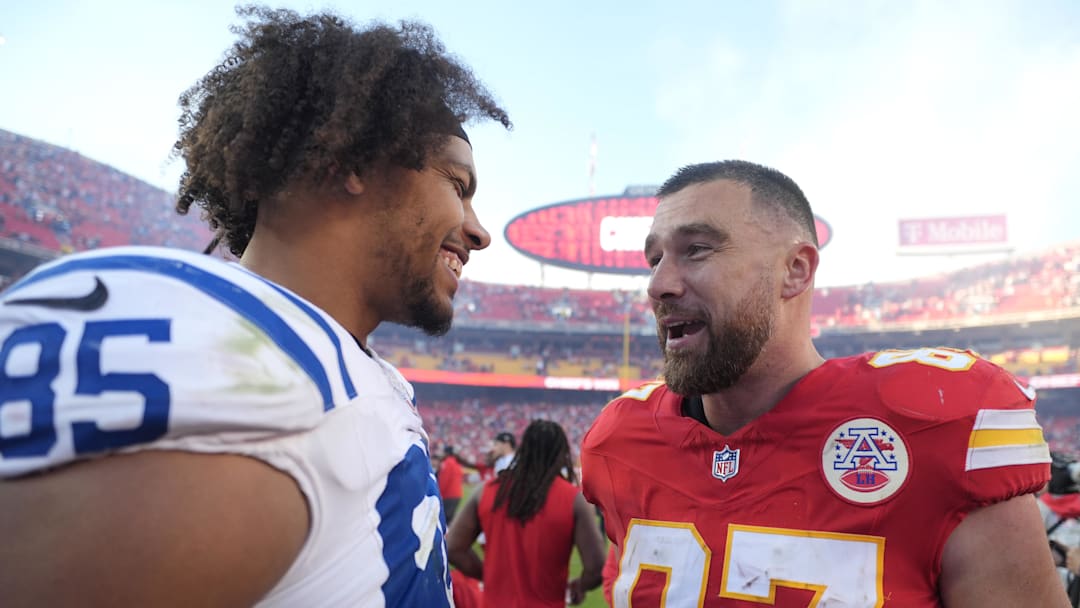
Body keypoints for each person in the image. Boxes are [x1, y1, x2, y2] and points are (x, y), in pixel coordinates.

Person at [0, 6, 510, 606]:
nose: (479, 232)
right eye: (458, 184)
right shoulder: (227, 351)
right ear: (352, 161)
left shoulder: (342, 368)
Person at [580, 160, 1067, 607]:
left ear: (795, 270)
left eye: (697, 250)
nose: (658, 284)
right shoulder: (621, 440)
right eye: (654, 259)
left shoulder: (938, 423)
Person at [447, 419, 605, 607]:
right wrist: (579, 586)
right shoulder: (574, 500)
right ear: (561, 455)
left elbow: (453, 548)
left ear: (523, 450)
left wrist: (488, 575)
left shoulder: (486, 492)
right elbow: (596, 568)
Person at [439, 444, 466, 522]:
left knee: (444, 519)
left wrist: (440, 493)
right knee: (450, 518)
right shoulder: (456, 463)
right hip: (457, 494)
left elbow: (444, 480)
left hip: (448, 495)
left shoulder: (447, 462)